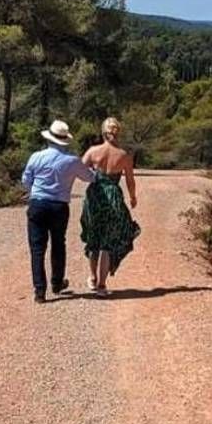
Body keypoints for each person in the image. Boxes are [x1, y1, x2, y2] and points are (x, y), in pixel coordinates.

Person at [21, 120, 95, 304]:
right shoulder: (72, 161)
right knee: (58, 244)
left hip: (37, 204)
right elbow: (90, 177)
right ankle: (57, 282)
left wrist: (34, 192)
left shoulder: (36, 157)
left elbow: (26, 179)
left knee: (37, 249)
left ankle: (40, 291)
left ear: (49, 138)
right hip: (59, 207)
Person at [80, 117, 140, 297]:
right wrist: (132, 197)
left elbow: (81, 172)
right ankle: (102, 285)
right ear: (117, 132)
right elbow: (130, 180)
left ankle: (92, 277)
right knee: (106, 242)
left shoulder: (93, 151)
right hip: (113, 196)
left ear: (103, 132)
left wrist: (94, 176)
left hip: (95, 196)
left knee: (94, 238)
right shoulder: (124, 156)